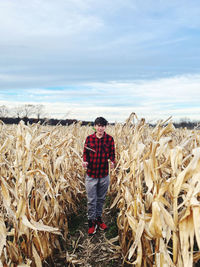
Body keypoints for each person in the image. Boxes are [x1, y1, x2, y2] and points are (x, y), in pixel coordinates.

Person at [83, 117, 115, 235]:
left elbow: (112, 154)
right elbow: (85, 154)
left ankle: (98, 219)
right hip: (91, 175)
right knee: (92, 200)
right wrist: (85, 161)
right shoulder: (89, 139)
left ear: (105, 127)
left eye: (102, 126)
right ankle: (91, 221)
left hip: (103, 174)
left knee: (101, 199)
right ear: (95, 126)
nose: (100, 128)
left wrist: (112, 161)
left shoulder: (109, 139)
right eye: (98, 125)